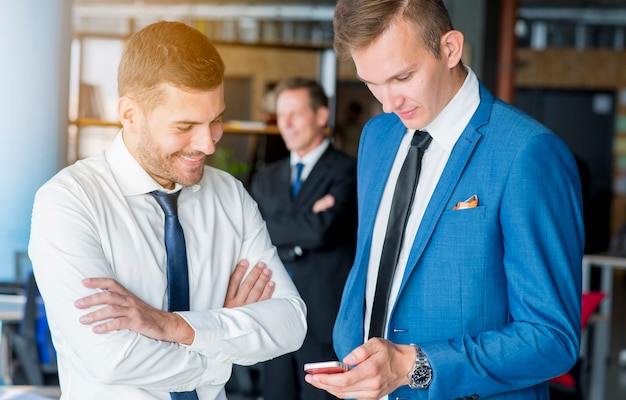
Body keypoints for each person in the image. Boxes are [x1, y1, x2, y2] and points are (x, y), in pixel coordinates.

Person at [305, 1, 585, 399]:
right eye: (371, 83)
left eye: (402, 76)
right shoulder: (378, 136)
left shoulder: (528, 152)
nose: (388, 102)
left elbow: (551, 338)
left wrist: (414, 366)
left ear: (450, 48)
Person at [28, 21, 306, 399]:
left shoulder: (229, 196)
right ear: (130, 114)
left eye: (216, 120)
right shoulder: (69, 202)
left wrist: (174, 327)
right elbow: (113, 359)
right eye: (185, 126)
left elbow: (290, 322)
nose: (207, 144)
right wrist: (224, 345)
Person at [250, 77, 357, 400]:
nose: (287, 124)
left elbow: (322, 230)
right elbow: (253, 235)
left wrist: (279, 231)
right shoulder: (266, 178)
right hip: (275, 318)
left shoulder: (349, 170)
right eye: (282, 115)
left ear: (321, 116)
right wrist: (307, 220)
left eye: (296, 113)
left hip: (324, 320)